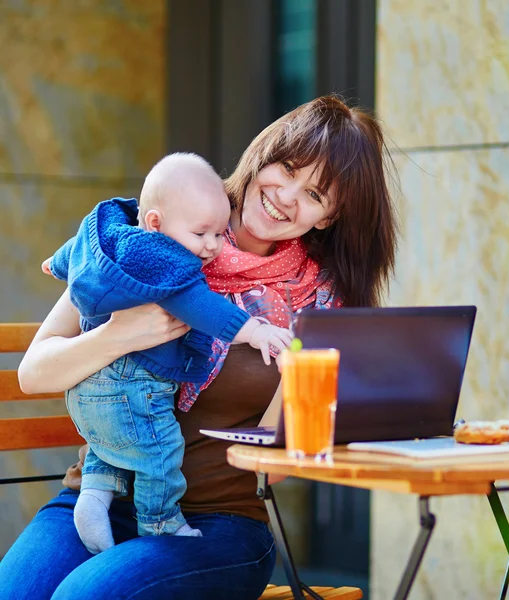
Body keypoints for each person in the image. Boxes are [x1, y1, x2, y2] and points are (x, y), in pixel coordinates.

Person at [1, 95, 398, 600]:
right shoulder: (153, 235)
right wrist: (121, 334)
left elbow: (293, 443)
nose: (286, 195)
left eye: (315, 194)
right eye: (288, 168)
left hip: (219, 523)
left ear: (328, 217)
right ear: (263, 155)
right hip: (98, 500)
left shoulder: (318, 301)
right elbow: (34, 373)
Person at [41, 152, 293, 554]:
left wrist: (54, 265)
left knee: (117, 442)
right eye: (203, 235)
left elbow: (77, 250)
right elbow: (203, 306)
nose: (211, 246)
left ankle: (94, 498)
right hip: (133, 386)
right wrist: (255, 330)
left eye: (217, 233)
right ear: (156, 222)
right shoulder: (168, 262)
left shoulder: (110, 237)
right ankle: (160, 521)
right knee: (160, 449)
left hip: (92, 399)